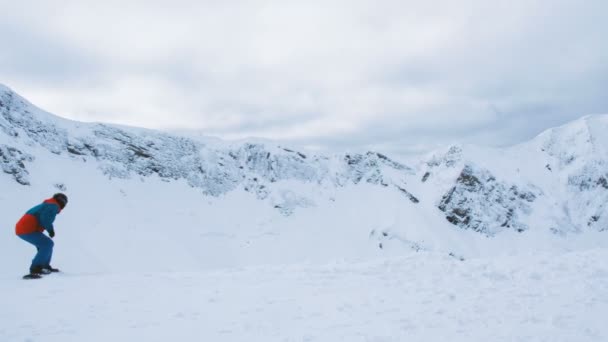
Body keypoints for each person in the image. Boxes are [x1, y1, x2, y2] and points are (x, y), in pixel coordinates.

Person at [15, 193, 68, 275]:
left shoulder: (49, 204)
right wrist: (50, 230)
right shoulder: (53, 205)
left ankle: (44, 266)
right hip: (26, 229)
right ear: (62, 202)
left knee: (47, 244)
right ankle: (36, 268)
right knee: (47, 244)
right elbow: (45, 218)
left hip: (25, 228)